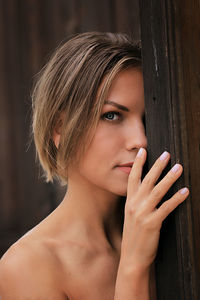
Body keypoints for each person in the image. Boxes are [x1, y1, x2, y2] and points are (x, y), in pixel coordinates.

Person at [0, 32, 189, 300]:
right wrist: (133, 268)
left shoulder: (174, 231)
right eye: (112, 115)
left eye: (147, 118)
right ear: (60, 129)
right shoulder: (27, 267)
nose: (141, 140)